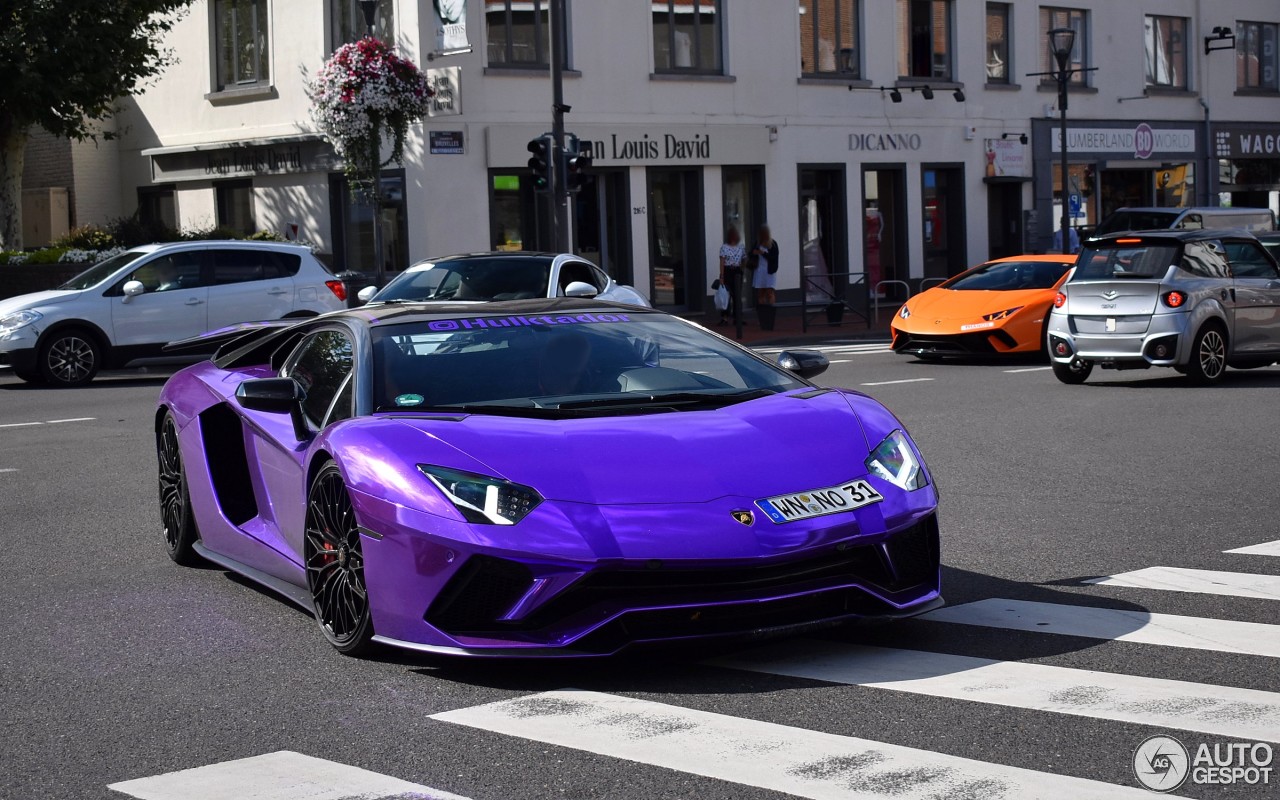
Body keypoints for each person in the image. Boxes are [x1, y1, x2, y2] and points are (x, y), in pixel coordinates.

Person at [751, 225, 781, 331]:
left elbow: (774, 257)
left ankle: (771, 315)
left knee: (770, 292)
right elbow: (751, 253)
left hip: (769, 272)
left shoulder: (773, 244)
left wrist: (763, 253)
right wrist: (754, 253)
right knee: (761, 293)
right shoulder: (757, 243)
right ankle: (762, 317)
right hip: (759, 270)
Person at [717, 226, 746, 326]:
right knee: (726, 295)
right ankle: (725, 318)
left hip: (736, 272)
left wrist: (741, 268)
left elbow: (744, 259)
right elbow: (722, 262)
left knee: (737, 296)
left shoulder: (741, 247)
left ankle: (737, 318)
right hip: (728, 271)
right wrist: (722, 276)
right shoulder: (724, 247)